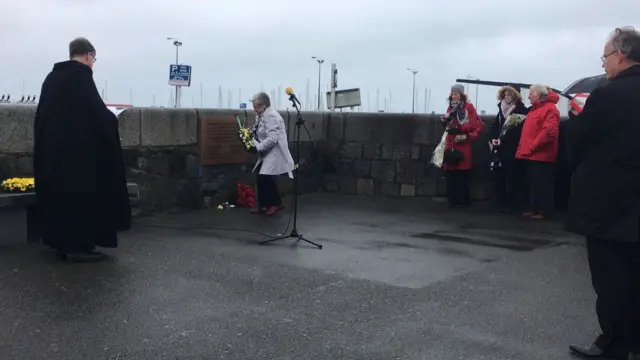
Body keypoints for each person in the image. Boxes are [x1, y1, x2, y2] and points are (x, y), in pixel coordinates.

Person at [566, 26, 640, 360]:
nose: (605, 64)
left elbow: (575, 145)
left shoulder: (607, 95)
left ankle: (613, 346)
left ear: (621, 56)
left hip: (609, 206)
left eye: (606, 57)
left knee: (612, 282)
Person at [33, 38, 131, 262]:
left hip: (53, 155)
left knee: (60, 199)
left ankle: (61, 243)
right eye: (94, 60)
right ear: (88, 55)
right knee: (81, 199)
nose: (93, 64)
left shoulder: (52, 77)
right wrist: (111, 119)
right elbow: (96, 113)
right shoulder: (81, 76)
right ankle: (78, 247)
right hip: (78, 158)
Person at [514, 84, 560, 220]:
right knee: (534, 183)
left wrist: (533, 145)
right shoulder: (534, 110)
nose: (528, 96)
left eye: (531, 93)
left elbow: (549, 132)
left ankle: (544, 211)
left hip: (541, 154)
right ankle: (535, 208)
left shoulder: (550, 109)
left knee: (542, 184)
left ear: (539, 95)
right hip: (532, 154)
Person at [247, 92, 294, 216]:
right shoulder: (261, 115)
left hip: (275, 150)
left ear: (264, 105)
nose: (254, 109)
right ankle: (263, 205)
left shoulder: (272, 116)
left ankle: (276, 203)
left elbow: (272, 138)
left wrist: (259, 148)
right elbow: (258, 132)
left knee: (265, 176)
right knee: (260, 176)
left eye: (256, 106)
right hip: (266, 150)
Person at [440, 84, 484, 208]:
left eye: (456, 94)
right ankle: (453, 198)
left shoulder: (468, 107)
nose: (454, 96)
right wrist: (445, 122)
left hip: (462, 142)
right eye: (453, 94)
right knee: (451, 171)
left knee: (462, 172)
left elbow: (474, 123)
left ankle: (462, 199)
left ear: (461, 95)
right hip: (451, 142)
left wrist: (460, 129)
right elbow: (449, 124)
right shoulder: (450, 108)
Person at [489, 86, 529, 212]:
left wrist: (504, 139)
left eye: (510, 94)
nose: (507, 97)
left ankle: (513, 203)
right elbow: (495, 126)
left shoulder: (521, 110)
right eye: (505, 94)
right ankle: (500, 202)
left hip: (512, 147)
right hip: (499, 148)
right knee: (498, 176)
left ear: (516, 95)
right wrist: (493, 138)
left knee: (513, 177)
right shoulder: (500, 108)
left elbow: (519, 130)